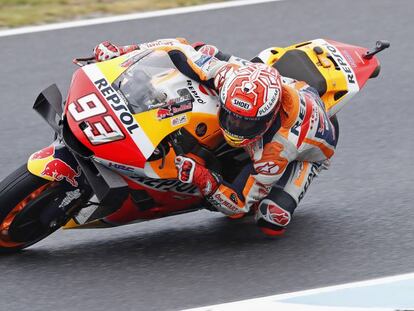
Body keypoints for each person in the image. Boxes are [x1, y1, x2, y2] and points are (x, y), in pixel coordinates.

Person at [93, 38, 338, 236]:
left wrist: (204, 179)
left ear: (267, 119)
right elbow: (177, 48)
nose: (235, 127)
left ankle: (298, 175)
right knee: (204, 53)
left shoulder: (276, 151)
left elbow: (238, 204)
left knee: (271, 219)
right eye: (232, 116)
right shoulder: (227, 76)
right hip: (266, 81)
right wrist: (126, 52)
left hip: (308, 149)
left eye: (245, 123)